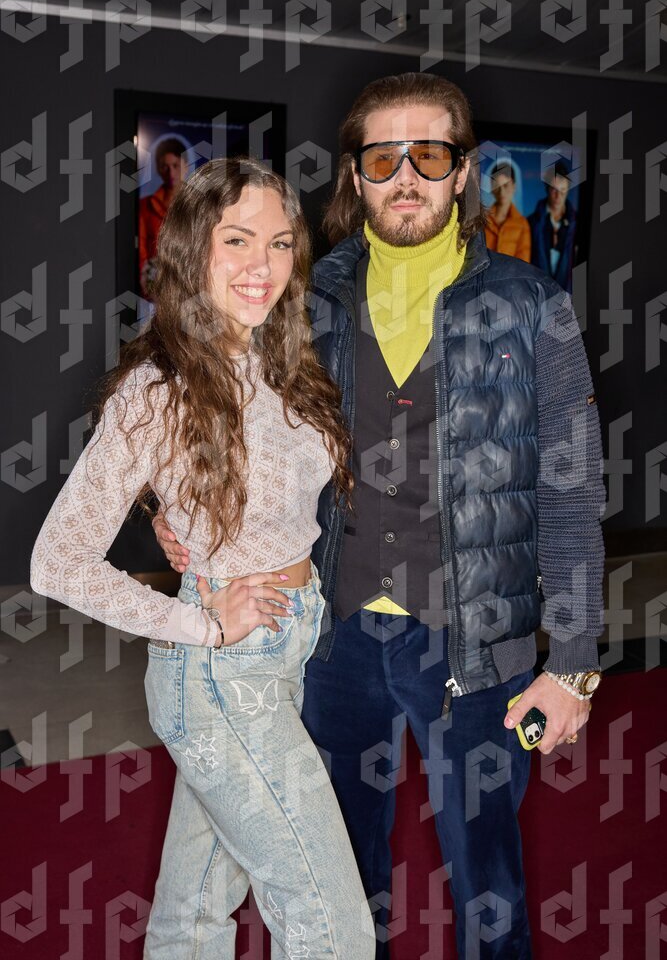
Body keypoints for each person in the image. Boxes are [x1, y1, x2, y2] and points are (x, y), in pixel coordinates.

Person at [153, 74, 605, 960]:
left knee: (488, 881)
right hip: (332, 635)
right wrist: (181, 513)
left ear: (461, 171)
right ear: (355, 175)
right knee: (338, 878)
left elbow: (571, 490)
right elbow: (226, 421)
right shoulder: (303, 296)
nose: (406, 176)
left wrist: (575, 661)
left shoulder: (533, 306)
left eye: (428, 155)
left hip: (479, 640)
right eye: (383, 156)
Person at [30, 156, 376, 959]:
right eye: (237, 239)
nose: (263, 264)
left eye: (281, 243)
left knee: (196, 908)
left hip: (288, 644)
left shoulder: (280, 361)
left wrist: (177, 510)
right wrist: (200, 623)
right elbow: (59, 560)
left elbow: (258, 486)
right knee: (330, 923)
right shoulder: (158, 388)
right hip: (223, 673)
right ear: (193, 250)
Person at [138, 137, 189, 298]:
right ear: (158, 168)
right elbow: (141, 251)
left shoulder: (199, 204)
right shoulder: (145, 205)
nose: (171, 173)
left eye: (175, 165)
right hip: (156, 289)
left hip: (192, 288)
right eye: (164, 166)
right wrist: (149, 287)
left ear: (186, 166)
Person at [528, 160, 578, 292]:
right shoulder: (531, 223)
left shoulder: (577, 223)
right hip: (537, 292)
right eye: (554, 190)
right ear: (547, 188)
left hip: (568, 295)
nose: (558, 196)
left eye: (563, 190)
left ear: (568, 190)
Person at [484, 161, 531, 261]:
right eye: (497, 186)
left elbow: (523, 263)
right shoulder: (482, 220)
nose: (502, 192)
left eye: (506, 185)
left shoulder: (522, 224)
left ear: (514, 186)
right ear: (492, 188)